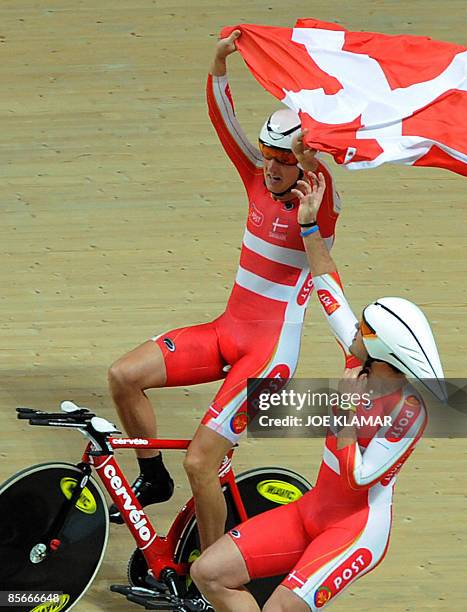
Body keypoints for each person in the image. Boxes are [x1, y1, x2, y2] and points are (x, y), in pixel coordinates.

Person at [107, 30, 341, 552]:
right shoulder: (259, 177)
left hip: (267, 355)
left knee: (199, 461)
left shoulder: (317, 200)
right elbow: (224, 120)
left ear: (304, 160)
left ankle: (210, 577)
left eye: (282, 159)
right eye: (266, 155)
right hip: (227, 332)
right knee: (124, 376)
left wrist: (310, 185)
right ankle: (152, 477)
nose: (270, 166)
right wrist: (217, 61)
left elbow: (321, 230)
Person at [190, 172, 446, 611]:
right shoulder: (358, 359)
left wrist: (345, 409)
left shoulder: (410, 413)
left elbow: (358, 477)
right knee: (208, 573)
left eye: (365, 329)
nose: (356, 329)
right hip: (312, 512)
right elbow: (330, 288)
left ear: (385, 353)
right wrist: (309, 228)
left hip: (355, 531)